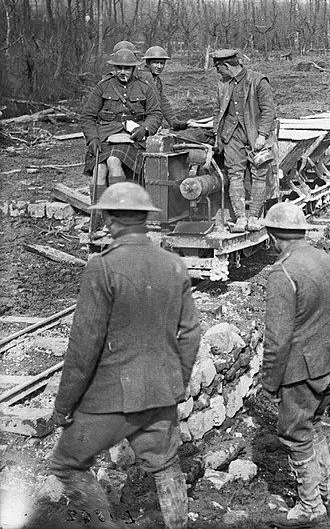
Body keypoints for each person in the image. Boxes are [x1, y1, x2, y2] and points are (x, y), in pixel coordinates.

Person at [49, 183, 200, 529]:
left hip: (111, 400)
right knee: (165, 464)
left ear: (109, 219)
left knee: (67, 465)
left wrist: (63, 407)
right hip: (161, 394)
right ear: (147, 219)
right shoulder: (174, 264)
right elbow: (191, 332)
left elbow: (83, 347)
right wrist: (177, 382)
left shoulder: (102, 267)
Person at [260, 202, 330, 527]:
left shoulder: (282, 274)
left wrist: (269, 382)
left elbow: (277, 339)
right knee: (316, 426)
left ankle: (310, 506)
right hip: (328, 363)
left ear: (273, 236)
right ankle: (328, 494)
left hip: (300, 370)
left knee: (296, 433)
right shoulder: (327, 261)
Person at [80, 48, 162, 201]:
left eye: (126, 68)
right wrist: (92, 139)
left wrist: (144, 129)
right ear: (114, 68)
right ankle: (99, 217)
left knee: (113, 161)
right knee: (99, 170)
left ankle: (122, 210)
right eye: (119, 68)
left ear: (134, 68)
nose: (122, 72)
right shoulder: (103, 86)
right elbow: (87, 116)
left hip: (133, 139)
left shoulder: (144, 87)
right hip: (105, 137)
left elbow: (156, 114)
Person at [211, 48, 279, 232]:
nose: (218, 72)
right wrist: (217, 137)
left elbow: (268, 111)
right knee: (235, 174)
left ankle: (254, 217)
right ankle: (241, 217)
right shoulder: (223, 84)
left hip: (255, 134)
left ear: (226, 65)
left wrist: (262, 136)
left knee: (259, 174)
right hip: (231, 135)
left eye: (219, 68)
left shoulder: (258, 81)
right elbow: (218, 112)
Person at [143, 45, 188, 131]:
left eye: (162, 63)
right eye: (156, 62)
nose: (159, 66)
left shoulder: (157, 80)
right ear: (148, 63)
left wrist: (173, 121)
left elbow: (162, 101)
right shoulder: (142, 79)